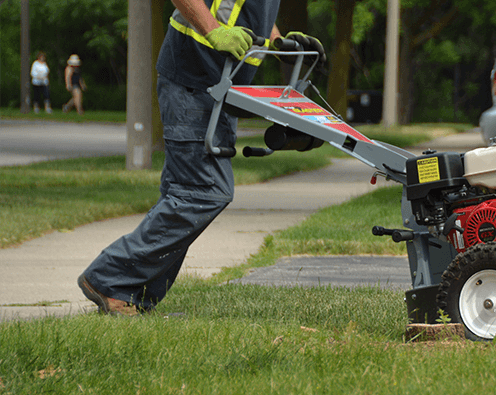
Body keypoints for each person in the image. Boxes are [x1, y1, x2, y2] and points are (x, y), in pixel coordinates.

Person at [77, 0, 325, 316]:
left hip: (222, 84)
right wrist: (214, 31)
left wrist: (278, 40)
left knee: (183, 194)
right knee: (202, 191)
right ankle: (109, 279)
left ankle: (132, 295)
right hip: (193, 77)